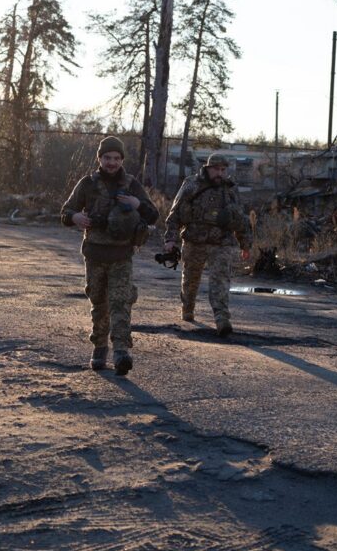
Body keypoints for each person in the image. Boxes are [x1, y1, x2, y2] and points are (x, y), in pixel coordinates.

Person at [61, 136, 158, 375]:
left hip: (122, 255)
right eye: (107, 158)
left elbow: (153, 215)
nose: (112, 162)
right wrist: (75, 218)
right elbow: (66, 211)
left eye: (116, 158)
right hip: (94, 254)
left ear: (122, 160)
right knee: (99, 302)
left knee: (121, 302)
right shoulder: (87, 184)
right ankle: (100, 347)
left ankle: (121, 351)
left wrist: (137, 203)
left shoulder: (132, 184)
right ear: (99, 159)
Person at [163, 153, 252, 337]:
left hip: (222, 243)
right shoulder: (192, 185)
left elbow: (240, 218)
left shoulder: (230, 190)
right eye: (216, 169)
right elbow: (176, 213)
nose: (220, 173)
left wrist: (245, 244)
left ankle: (222, 319)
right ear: (208, 168)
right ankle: (187, 308)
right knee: (190, 279)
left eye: (223, 170)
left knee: (220, 280)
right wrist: (170, 239)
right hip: (194, 241)